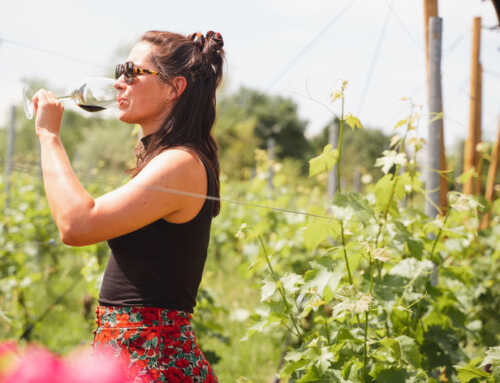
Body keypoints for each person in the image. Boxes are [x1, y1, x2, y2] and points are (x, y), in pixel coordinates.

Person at [32, 30, 224, 382]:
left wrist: (49, 137)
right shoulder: (166, 158)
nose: (119, 83)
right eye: (120, 71)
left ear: (174, 88)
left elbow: (76, 225)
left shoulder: (180, 164)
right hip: (134, 359)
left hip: (154, 366)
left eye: (133, 73)